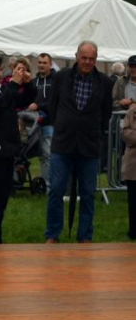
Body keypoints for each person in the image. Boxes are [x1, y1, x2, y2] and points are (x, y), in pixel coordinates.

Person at [44, 41, 112, 243]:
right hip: (63, 143)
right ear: (76, 56)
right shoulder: (62, 77)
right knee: (56, 190)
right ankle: (52, 234)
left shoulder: (105, 82)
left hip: (89, 145)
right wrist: (63, 125)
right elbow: (52, 105)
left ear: (96, 59)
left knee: (88, 194)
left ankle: (84, 236)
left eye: (91, 58)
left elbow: (106, 113)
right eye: (84, 58)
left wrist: (95, 133)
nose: (87, 62)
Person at [0, 54, 36, 244]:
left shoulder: (4, 88)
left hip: (9, 148)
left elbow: (24, 100)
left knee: (2, 195)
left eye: (0, 70)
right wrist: (13, 84)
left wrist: (27, 84)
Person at [26, 53, 55, 186]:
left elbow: (54, 101)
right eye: (39, 62)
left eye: (44, 62)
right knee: (40, 155)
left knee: (48, 154)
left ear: (50, 64)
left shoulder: (55, 81)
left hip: (49, 123)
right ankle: (44, 184)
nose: (41, 65)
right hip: (34, 124)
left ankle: (49, 185)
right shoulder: (33, 82)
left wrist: (39, 105)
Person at [120, 103, 136, 240]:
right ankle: (133, 231)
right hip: (133, 165)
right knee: (133, 200)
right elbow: (125, 133)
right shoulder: (132, 112)